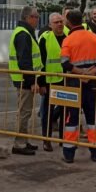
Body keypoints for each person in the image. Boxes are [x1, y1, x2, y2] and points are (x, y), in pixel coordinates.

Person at [60, 9, 96, 163]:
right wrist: (89, 73)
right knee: (93, 117)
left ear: (69, 22)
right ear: (82, 20)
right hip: (92, 83)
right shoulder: (94, 37)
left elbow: (65, 63)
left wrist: (80, 73)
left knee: (71, 118)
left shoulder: (68, 40)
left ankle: (69, 153)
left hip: (74, 84)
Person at [9, 6, 43, 155]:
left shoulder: (25, 32)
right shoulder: (23, 35)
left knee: (26, 112)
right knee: (24, 112)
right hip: (24, 80)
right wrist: (32, 81)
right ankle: (19, 143)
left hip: (24, 79)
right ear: (28, 18)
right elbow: (25, 62)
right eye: (36, 16)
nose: (38, 19)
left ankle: (24, 140)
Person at [37, 12, 67, 152]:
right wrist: (41, 84)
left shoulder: (68, 36)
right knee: (47, 113)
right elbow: (40, 62)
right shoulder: (45, 38)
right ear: (50, 25)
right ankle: (47, 140)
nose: (60, 24)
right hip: (49, 82)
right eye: (56, 22)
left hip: (66, 81)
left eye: (61, 21)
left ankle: (62, 139)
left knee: (65, 110)